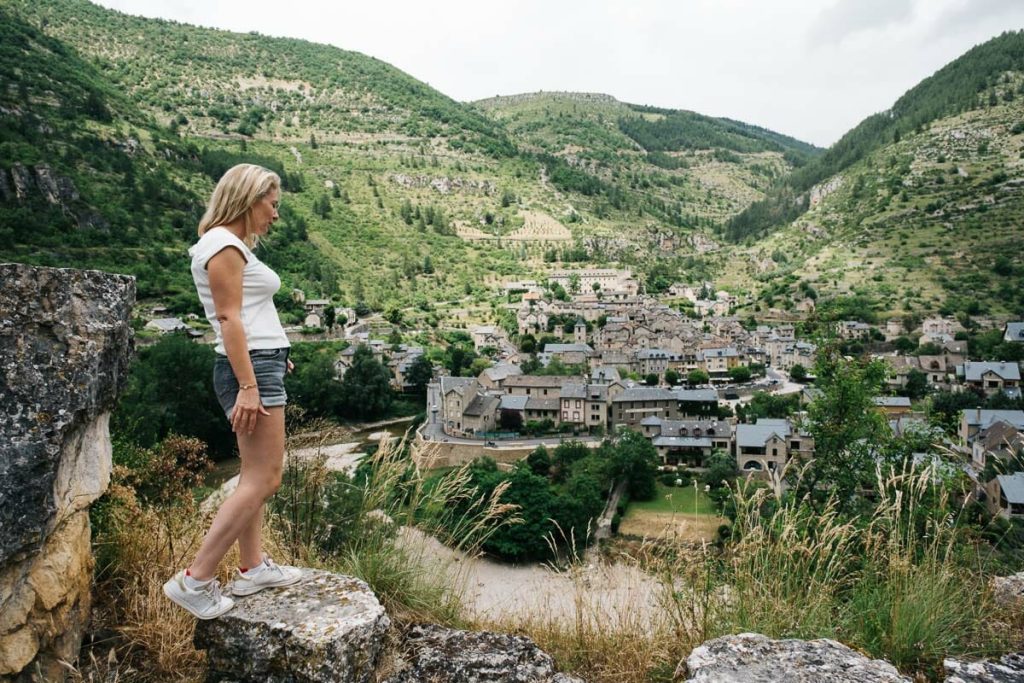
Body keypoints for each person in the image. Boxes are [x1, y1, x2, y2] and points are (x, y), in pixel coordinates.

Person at [163, 164, 302, 619]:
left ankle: (252, 567)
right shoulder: (223, 245)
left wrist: (275, 354)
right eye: (272, 205)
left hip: (261, 362)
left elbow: (251, 313)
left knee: (252, 476)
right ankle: (195, 580)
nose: (275, 215)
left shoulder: (228, 244)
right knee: (266, 478)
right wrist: (249, 384)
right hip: (251, 369)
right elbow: (228, 318)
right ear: (248, 199)